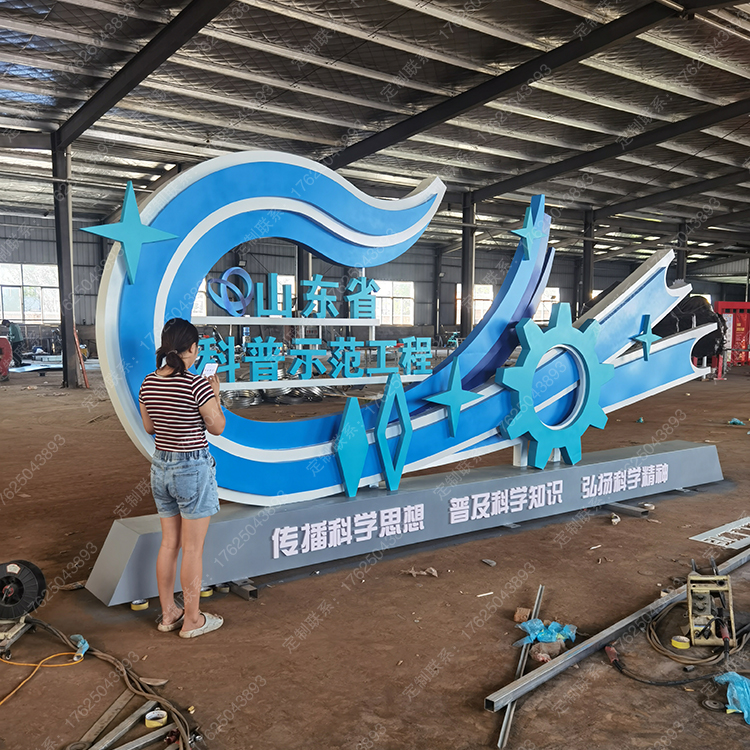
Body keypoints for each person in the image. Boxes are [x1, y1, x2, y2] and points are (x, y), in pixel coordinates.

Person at [138, 318, 226, 639]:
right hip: (191, 469)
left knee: (169, 544)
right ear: (193, 348)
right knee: (192, 549)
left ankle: (168, 613)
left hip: (161, 466)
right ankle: (192, 621)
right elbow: (217, 427)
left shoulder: (148, 382)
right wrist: (215, 395)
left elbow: (150, 427)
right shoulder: (197, 385)